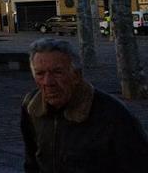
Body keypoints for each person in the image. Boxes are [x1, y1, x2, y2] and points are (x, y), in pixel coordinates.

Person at [21, 38, 148, 172]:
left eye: (57, 72)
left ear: (76, 75)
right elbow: (31, 161)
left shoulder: (112, 114)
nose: (48, 82)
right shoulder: (32, 107)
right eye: (40, 74)